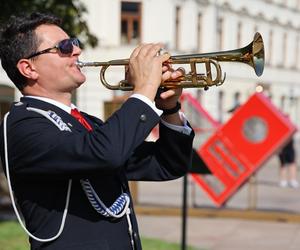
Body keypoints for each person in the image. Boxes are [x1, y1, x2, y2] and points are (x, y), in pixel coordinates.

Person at [0, 12, 194, 250]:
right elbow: (105, 153)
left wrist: (170, 107)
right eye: (63, 47)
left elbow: (166, 164)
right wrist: (144, 89)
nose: (77, 50)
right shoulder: (22, 125)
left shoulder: (86, 122)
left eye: (74, 43)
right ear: (28, 68)